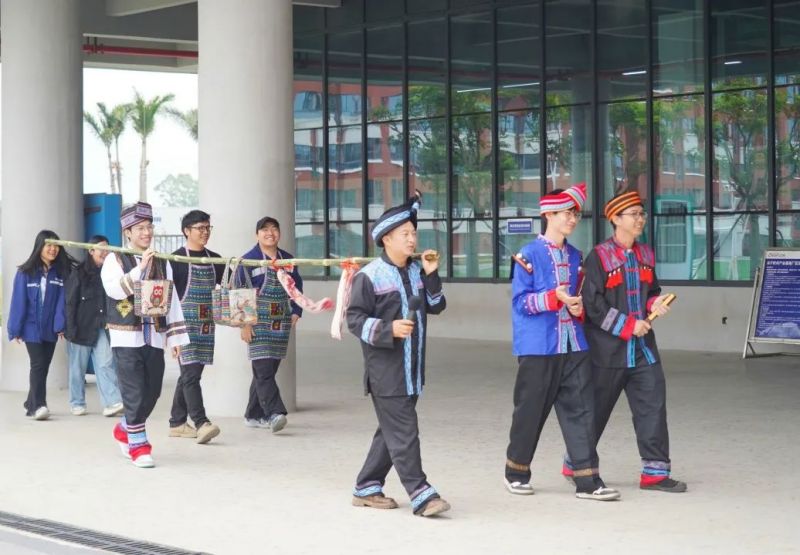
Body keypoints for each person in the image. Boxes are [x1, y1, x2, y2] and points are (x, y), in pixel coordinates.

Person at [563, 189, 687, 493]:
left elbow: (651, 291)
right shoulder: (598, 257)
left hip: (643, 350)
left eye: (642, 214)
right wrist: (629, 326)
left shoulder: (646, 254)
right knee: (596, 411)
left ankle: (654, 474)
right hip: (607, 352)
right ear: (616, 219)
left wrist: (655, 304)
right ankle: (576, 463)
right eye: (634, 214)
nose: (640, 219)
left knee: (653, 406)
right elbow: (593, 305)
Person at [505, 183, 620, 501]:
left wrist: (577, 307)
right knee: (530, 411)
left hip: (574, 344)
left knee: (582, 411)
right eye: (566, 213)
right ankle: (516, 472)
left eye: (575, 214)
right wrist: (552, 298)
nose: (572, 219)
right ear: (549, 215)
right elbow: (520, 303)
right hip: (538, 347)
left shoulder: (575, 256)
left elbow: (578, 298)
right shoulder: (528, 255)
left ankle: (588, 480)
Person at [346, 192, 451, 517]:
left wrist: (431, 273)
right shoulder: (369, 276)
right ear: (386, 238)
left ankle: (367, 486)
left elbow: (436, 306)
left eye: (413, 233)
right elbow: (354, 319)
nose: (412, 239)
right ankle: (422, 495)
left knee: (390, 432)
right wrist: (388, 329)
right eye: (404, 233)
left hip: (413, 369)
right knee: (404, 431)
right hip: (386, 371)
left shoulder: (417, 270)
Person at [101, 202, 189, 468]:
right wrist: (140, 269)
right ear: (127, 232)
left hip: (155, 336)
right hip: (126, 337)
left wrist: (175, 338)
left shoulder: (163, 261)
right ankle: (139, 446)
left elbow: (172, 299)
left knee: (152, 391)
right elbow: (115, 290)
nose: (146, 232)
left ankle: (124, 428)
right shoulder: (115, 259)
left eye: (149, 227)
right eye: (139, 228)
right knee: (134, 392)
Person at [240, 216, 302, 432]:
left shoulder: (288, 260)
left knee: (266, 371)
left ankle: (252, 415)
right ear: (257, 234)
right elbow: (241, 293)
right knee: (263, 369)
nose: (270, 233)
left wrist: (297, 311)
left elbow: (297, 287)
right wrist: (245, 325)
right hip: (257, 322)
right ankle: (274, 413)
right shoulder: (248, 260)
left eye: (274, 229)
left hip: (280, 322)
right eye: (264, 229)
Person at [168, 210, 225, 444]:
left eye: (207, 228)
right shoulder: (175, 260)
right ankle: (202, 423)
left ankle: (177, 423)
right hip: (183, 327)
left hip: (206, 327)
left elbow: (229, 287)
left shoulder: (215, 260)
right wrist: (171, 334)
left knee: (190, 375)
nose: (205, 232)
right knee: (191, 375)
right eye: (200, 228)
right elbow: (168, 300)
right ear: (186, 231)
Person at [7, 230, 73, 421]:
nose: (53, 249)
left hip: (50, 328)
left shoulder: (59, 274)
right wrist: (15, 328)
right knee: (38, 364)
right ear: (39, 247)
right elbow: (18, 301)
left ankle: (30, 402)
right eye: (49, 245)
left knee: (43, 366)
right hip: (31, 327)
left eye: (56, 246)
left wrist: (60, 326)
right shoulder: (25, 273)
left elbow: (61, 303)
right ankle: (39, 406)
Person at [64, 234, 124, 417]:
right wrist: (70, 329)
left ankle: (111, 402)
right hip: (80, 327)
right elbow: (70, 302)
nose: (105, 252)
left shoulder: (110, 272)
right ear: (91, 251)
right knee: (77, 368)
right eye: (101, 248)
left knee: (106, 363)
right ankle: (77, 403)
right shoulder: (79, 272)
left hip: (101, 327)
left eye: (107, 248)